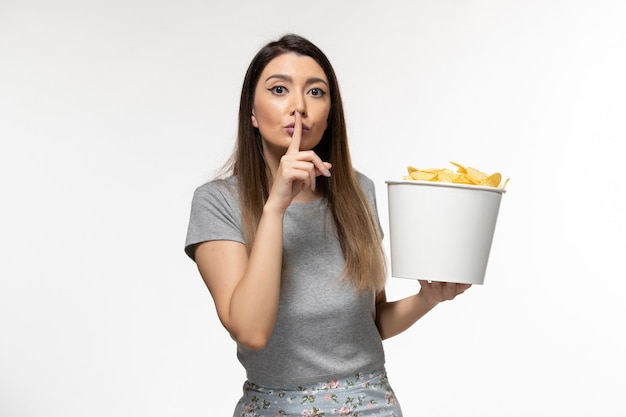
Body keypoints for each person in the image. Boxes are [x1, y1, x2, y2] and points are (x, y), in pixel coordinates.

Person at [184, 33, 471, 417]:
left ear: (330, 112)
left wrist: (428, 298)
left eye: (316, 92)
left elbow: (371, 324)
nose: (299, 106)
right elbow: (250, 331)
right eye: (280, 89)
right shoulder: (218, 201)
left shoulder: (357, 192)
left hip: (372, 405)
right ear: (251, 112)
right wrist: (275, 209)